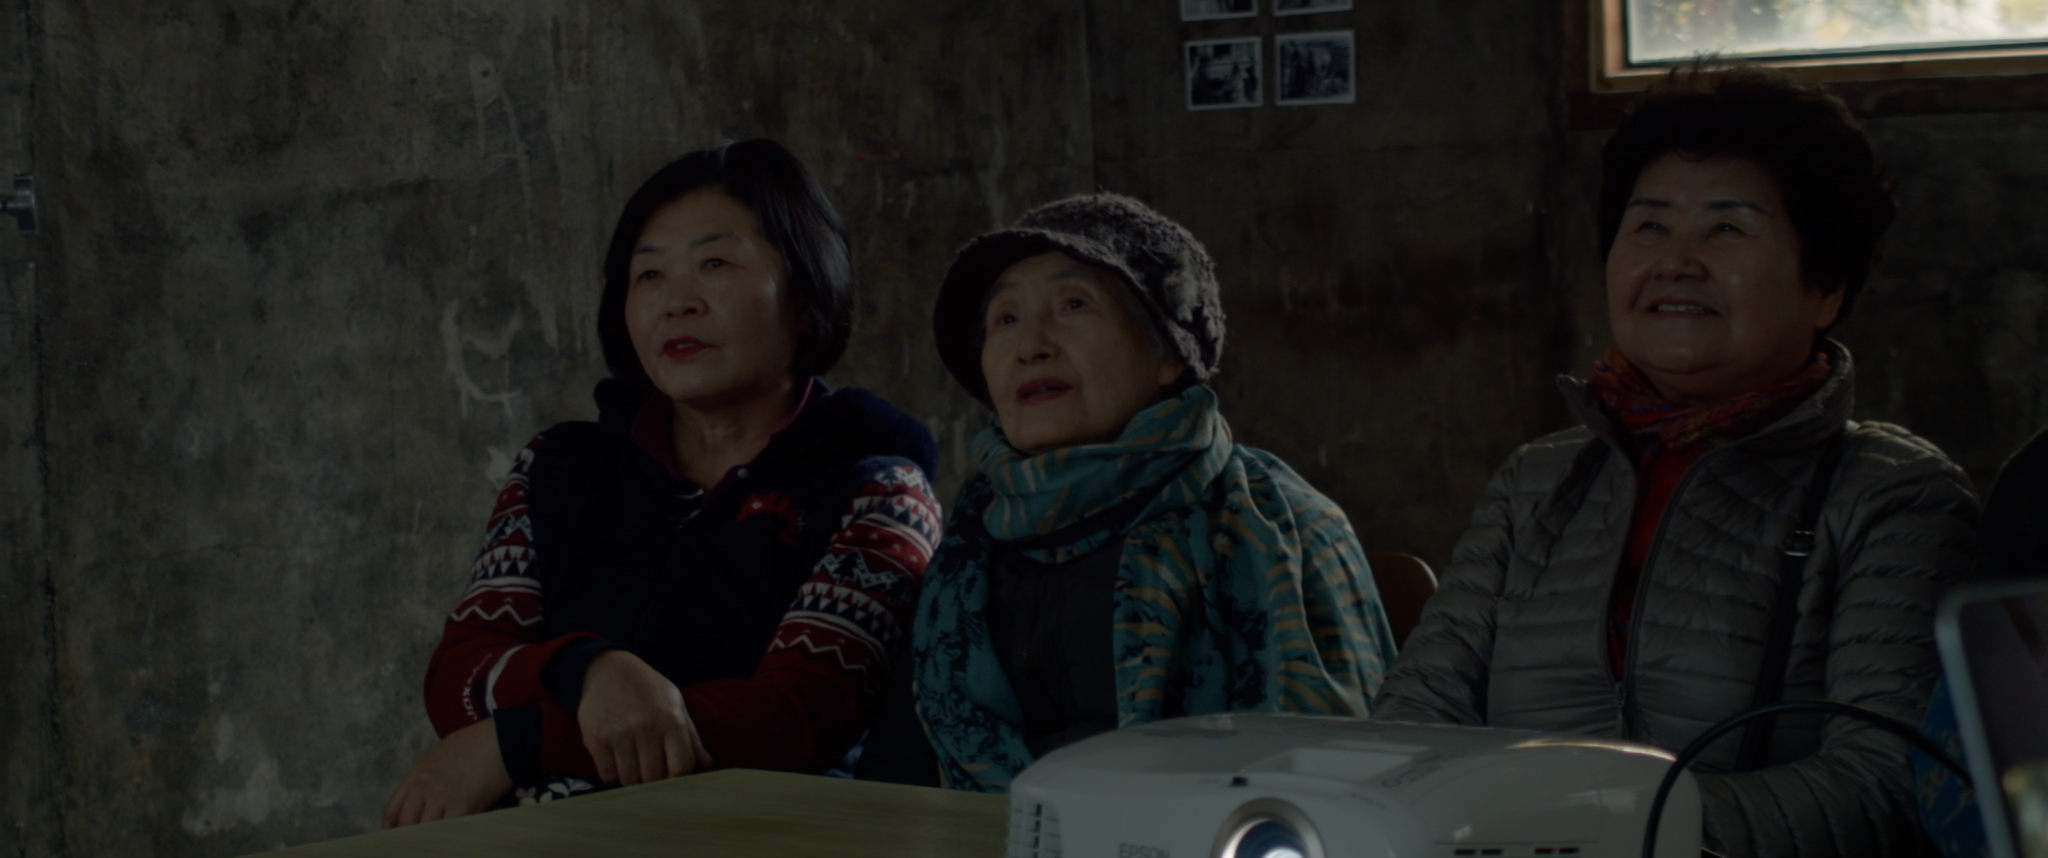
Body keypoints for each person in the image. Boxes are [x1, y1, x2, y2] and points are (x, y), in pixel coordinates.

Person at [1371, 65, 1977, 857]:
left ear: (1826, 286)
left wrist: (1605, 823)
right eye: (1650, 226)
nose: (1677, 262)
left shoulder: (1894, 497)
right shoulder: (1538, 481)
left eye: (1727, 229)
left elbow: (1887, 784)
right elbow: (1413, 726)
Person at [383, 139, 943, 826]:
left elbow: (796, 718)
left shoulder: (879, 490)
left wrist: (518, 741)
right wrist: (589, 669)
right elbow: (460, 672)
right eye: (648, 275)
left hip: (760, 836)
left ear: (806, 295)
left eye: (716, 264)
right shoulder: (559, 467)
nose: (677, 302)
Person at [856, 192, 1398, 791]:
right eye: (1005, 319)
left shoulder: (1282, 525)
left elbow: (1341, 785)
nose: (1029, 345)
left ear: (1169, 352)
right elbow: (894, 778)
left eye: (1073, 304)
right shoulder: (968, 547)